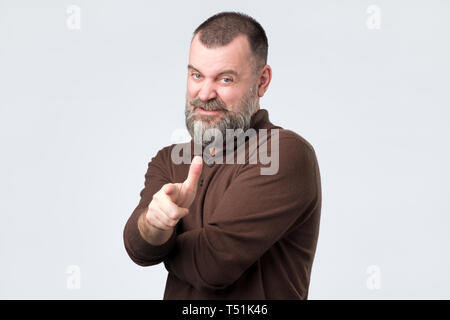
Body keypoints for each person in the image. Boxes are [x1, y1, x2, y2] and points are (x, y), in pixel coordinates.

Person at [123, 11, 322, 299]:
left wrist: (164, 242)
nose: (204, 93)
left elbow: (212, 266)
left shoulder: (282, 153)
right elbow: (138, 249)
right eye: (196, 75)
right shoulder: (170, 159)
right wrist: (153, 224)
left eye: (225, 79)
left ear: (262, 81)